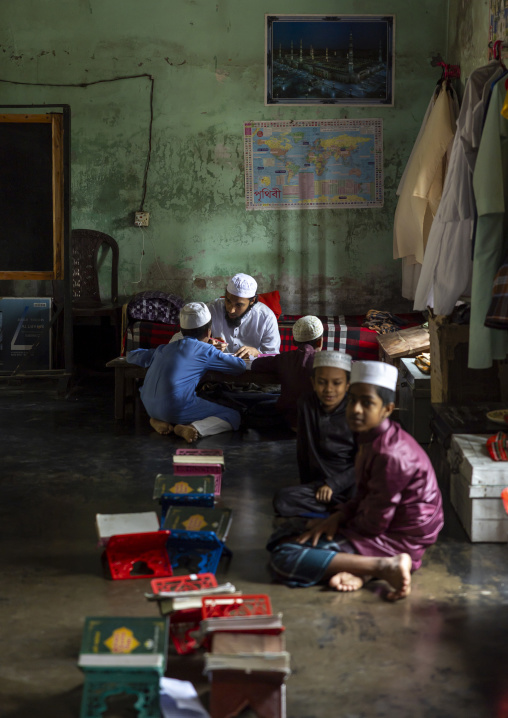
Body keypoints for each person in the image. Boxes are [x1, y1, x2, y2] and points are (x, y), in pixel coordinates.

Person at [267, 360, 444, 601]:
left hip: (399, 538)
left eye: (367, 402)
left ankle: (382, 566)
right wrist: (338, 517)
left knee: (284, 556)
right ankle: (363, 569)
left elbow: (374, 523)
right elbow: (363, 495)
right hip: (381, 526)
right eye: (352, 400)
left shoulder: (391, 454)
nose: (356, 409)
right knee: (287, 533)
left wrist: (340, 528)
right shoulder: (370, 438)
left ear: (387, 409)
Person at [126, 302, 246, 442]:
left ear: (182, 331)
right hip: (174, 408)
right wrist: (216, 352)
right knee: (233, 415)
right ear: (209, 331)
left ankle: (158, 420)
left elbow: (131, 356)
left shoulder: (163, 349)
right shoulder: (206, 350)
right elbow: (239, 367)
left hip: (148, 406)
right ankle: (192, 427)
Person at [272, 350, 357, 516]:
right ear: (313, 382)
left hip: (350, 483)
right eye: (322, 382)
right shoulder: (307, 403)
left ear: (348, 384)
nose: (329, 389)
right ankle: (344, 512)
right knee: (283, 500)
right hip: (320, 485)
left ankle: (344, 510)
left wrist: (334, 484)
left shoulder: (356, 411)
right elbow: (303, 449)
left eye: (337, 383)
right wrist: (309, 485)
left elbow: (365, 462)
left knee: (365, 497)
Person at [248, 315, 324, 431]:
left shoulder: (283, 359)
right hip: (317, 425)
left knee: (255, 406)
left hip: (288, 423)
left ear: (294, 341)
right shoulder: (330, 361)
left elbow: (256, 364)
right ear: (320, 342)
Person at [207, 273, 281, 359]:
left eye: (238, 305)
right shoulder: (211, 309)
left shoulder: (266, 317)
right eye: (228, 301)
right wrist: (206, 346)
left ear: (252, 301)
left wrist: (257, 353)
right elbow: (192, 344)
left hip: (253, 370)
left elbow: (273, 356)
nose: (231, 310)